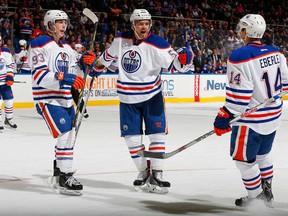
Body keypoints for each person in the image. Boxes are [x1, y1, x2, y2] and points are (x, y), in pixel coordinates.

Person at [83, 9, 193, 193]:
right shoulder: (120, 40)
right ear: (133, 25)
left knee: (157, 135)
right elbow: (106, 58)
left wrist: (184, 58)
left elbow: (177, 66)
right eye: (140, 23)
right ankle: (143, 171)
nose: (144, 26)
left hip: (152, 97)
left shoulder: (159, 44)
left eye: (146, 23)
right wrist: (96, 67)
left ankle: (157, 173)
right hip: (127, 99)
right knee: (131, 139)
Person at [213, 14, 288, 207]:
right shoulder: (276, 53)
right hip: (273, 117)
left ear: (246, 31)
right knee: (263, 155)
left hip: (251, 121)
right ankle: (267, 192)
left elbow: (239, 98)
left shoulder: (239, 56)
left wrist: (224, 115)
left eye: (242, 28)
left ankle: (257, 199)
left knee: (243, 162)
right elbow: (285, 86)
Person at [28, 10, 89, 196]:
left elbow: (76, 73)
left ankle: (58, 171)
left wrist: (85, 64)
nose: (63, 25)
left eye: (65, 22)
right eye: (59, 22)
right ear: (49, 24)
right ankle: (64, 175)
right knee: (65, 134)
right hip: (47, 99)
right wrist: (67, 78)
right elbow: (39, 75)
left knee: (68, 138)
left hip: (65, 99)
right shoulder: (39, 43)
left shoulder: (68, 49)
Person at [0, 35, 17, 131]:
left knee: (9, 101)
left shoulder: (5, 51)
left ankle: (9, 119)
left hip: (4, 82)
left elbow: (10, 64)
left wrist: (10, 76)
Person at [71, 43, 89, 119]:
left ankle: (83, 110)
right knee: (75, 94)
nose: (81, 49)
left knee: (76, 94)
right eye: (79, 48)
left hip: (77, 79)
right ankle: (83, 110)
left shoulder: (80, 55)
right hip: (72, 78)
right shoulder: (73, 54)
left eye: (81, 48)